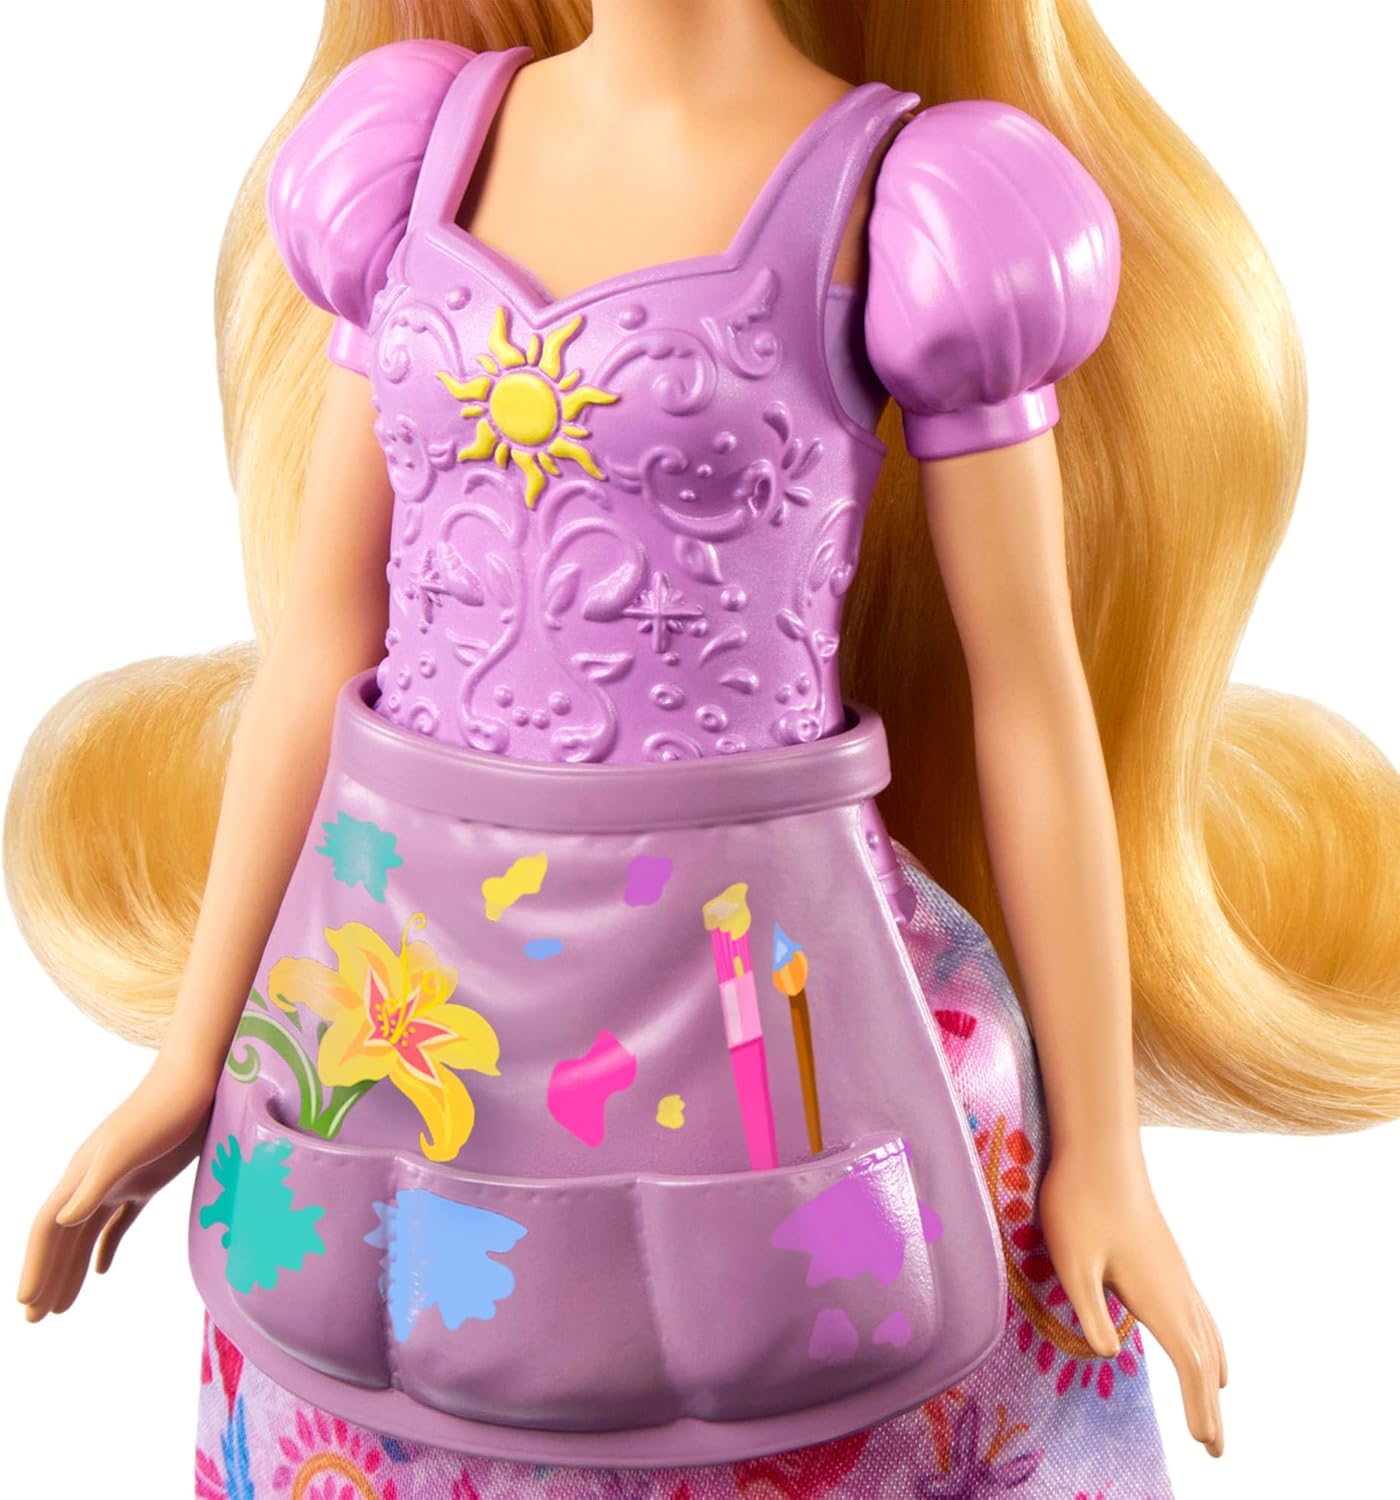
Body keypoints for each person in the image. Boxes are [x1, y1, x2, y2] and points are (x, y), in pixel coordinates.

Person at [9, 3, 1398, 1497]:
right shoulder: (406, 155)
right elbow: (319, 642)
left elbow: (1029, 692)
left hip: (751, 984)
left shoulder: (914, 206)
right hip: (387, 986)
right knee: (355, 1344)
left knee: (796, 1355)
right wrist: (187, 1062)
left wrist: (1105, 1149)